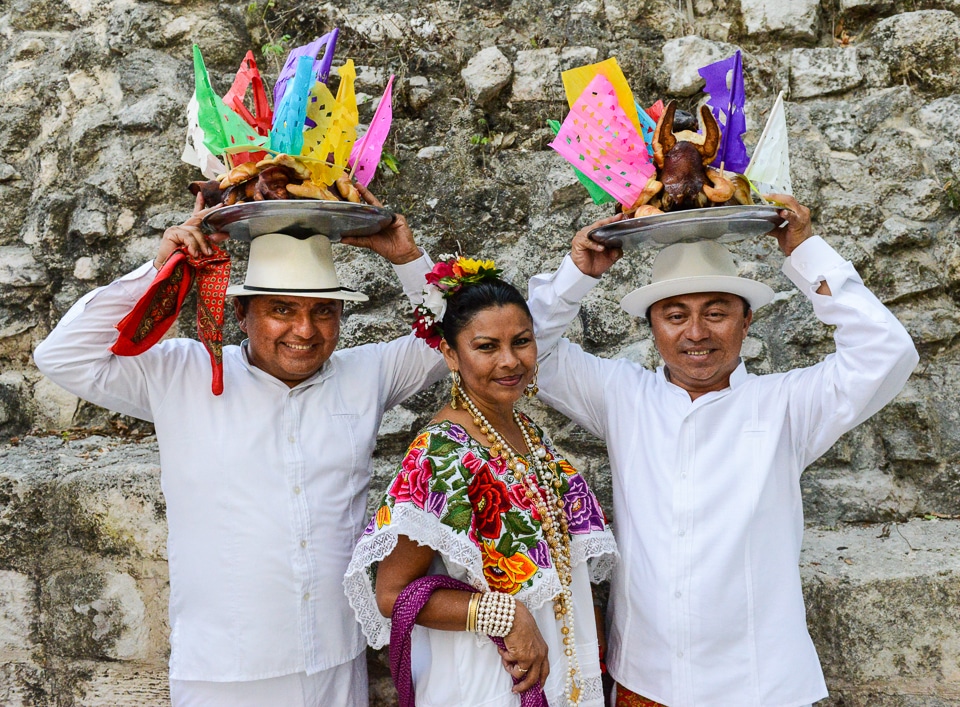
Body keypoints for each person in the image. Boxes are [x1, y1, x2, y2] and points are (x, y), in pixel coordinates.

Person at [32, 186, 448, 707]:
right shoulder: (181, 373)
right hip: (223, 671)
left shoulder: (368, 374)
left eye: (324, 312)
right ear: (242, 314)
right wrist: (158, 270)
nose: (305, 330)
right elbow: (62, 355)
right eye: (282, 310)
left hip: (335, 663)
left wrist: (408, 259)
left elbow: (455, 338)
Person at [526, 195, 919, 707]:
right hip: (646, 678)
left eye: (716, 313)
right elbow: (527, 348)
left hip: (759, 684)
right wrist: (576, 276)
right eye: (675, 315)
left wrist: (805, 253)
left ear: (746, 321)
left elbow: (887, 352)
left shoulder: (786, 404)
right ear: (652, 326)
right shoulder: (621, 395)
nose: (696, 333)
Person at [344, 256, 618, 707]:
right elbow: (391, 594)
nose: (510, 362)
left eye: (522, 342)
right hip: (486, 683)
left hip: (558, 665)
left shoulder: (528, 434)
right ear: (451, 354)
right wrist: (505, 614)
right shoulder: (441, 453)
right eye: (487, 346)